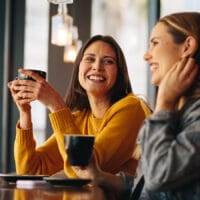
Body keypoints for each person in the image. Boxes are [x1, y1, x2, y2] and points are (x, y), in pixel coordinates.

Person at [72, 12, 200, 199]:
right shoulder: (181, 111)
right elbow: (151, 186)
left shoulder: (189, 112)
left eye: (155, 43)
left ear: (187, 46)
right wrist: (99, 177)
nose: (146, 55)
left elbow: (159, 177)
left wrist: (164, 101)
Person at [8, 35, 151, 178]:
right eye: (89, 59)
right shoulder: (78, 119)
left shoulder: (131, 109)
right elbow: (30, 171)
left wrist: (56, 104)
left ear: (119, 73)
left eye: (108, 61)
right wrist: (25, 113)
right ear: (78, 69)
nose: (97, 67)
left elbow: (85, 169)